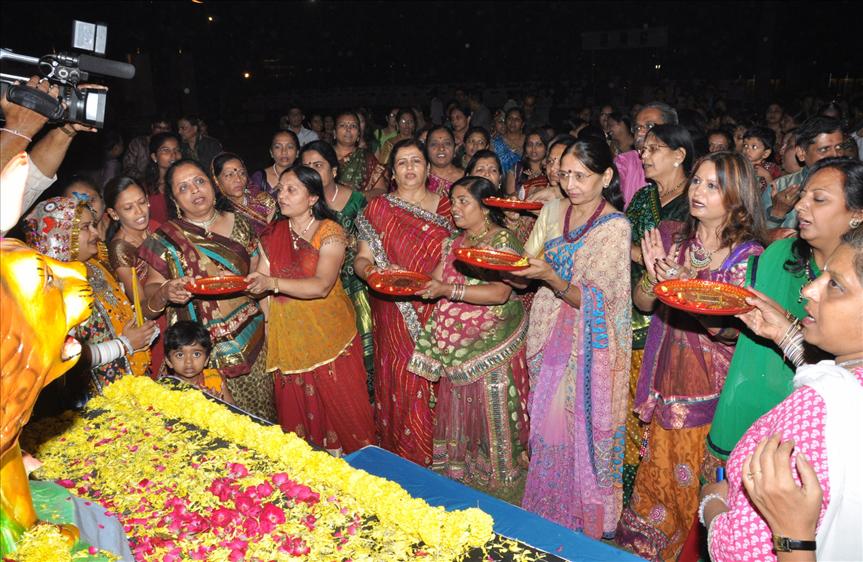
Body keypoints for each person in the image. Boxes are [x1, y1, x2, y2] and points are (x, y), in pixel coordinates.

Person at [617, 151, 766, 560]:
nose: (698, 191)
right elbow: (644, 304)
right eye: (697, 181)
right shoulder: (674, 239)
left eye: (713, 186)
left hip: (712, 390)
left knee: (695, 480)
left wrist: (687, 290)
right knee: (657, 472)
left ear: (737, 197)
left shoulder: (749, 258)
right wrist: (654, 276)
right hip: (666, 376)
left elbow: (731, 333)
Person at [702, 225, 863, 562]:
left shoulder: (815, 411)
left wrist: (712, 504)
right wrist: (785, 334)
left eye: (835, 285)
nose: (809, 290)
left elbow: (744, 551)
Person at [512, 136, 632, 539]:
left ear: (606, 176)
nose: (571, 184)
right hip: (549, 330)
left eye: (581, 176)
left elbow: (601, 300)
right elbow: (528, 265)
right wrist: (512, 268)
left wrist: (550, 276)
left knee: (574, 423)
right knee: (547, 421)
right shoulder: (553, 210)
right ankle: (548, 505)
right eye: (564, 174)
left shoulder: (615, 227)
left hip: (587, 343)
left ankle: (581, 516)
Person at [707, 158, 863, 466]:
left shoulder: (855, 288)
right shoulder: (778, 254)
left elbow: (839, 372)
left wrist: (786, 328)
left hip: (797, 435)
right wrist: (704, 310)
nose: (800, 206)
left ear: (857, 214)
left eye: (819, 199)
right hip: (741, 408)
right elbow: (741, 333)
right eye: (803, 195)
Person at [408, 175, 530, 489]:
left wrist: (448, 290)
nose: (455, 208)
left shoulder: (501, 240)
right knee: (463, 407)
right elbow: (435, 281)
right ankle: (466, 470)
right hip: (457, 345)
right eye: (454, 201)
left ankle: (503, 474)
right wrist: (404, 279)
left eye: (464, 201)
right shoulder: (452, 242)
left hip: (492, 342)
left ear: (485, 207)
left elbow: (500, 293)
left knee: (492, 407)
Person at [246, 166, 375, 454]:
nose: (281, 195)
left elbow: (321, 285)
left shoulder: (330, 232)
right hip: (290, 340)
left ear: (313, 198)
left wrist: (271, 283)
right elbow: (262, 286)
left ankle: (360, 469)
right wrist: (260, 301)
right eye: (280, 189)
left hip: (331, 338)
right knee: (301, 422)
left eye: (291, 190)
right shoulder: (273, 234)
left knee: (346, 417)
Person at [138, 159, 275, 421]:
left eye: (199, 181)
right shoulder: (165, 238)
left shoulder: (242, 225)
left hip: (249, 342)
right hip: (194, 352)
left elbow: (260, 280)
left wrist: (252, 289)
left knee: (258, 423)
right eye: (183, 187)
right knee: (207, 427)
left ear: (213, 185)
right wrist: (166, 292)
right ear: (174, 199)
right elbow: (148, 302)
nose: (195, 190)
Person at [354, 138, 455, 466]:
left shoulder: (448, 209)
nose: (410, 168)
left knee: (437, 376)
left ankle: (440, 451)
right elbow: (361, 259)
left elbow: (458, 256)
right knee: (403, 375)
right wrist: (372, 273)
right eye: (402, 162)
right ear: (393, 172)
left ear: (427, 168)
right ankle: (407, 451)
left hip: (438, 307)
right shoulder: (378, 209)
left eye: (416, 161)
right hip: (393, 309)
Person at [622, 124, 695, 502]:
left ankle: (656, 491)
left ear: (679, 155)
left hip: (671, 320)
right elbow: (619, 237)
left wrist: (637, 254)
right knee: (627, 408)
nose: (644, 155)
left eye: (654, 149)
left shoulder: (693, 202)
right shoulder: (643, 197)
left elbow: (686, 259)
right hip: (630, 305)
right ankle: (628, 487)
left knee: (657, 408)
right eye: (643, 149)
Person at [24, 197, 157, 401]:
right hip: (90, 403)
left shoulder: (95, 265)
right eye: (86, 227)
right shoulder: (49, 287)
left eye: (93, 225)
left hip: (132, 388)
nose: (96, 233)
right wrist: (124, 344)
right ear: (61, 235)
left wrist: (142, 330)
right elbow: (65, 356)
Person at [300, 140, 375, 389]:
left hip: (353, 283)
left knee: (362, 347)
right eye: (306, 166)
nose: (312, 171)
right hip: (315, 285)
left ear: (333, 171)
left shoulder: (356, 200)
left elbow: (369, 241)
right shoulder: (299, 203)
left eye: (318, 165)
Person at [764, 116, 845, 229]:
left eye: (839, 147)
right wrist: (777, 213)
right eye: (824, 149)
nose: (835, 155)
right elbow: (758, 237)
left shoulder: (853, 185)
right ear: (801, 153)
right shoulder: (779, 187)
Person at [616, 101, 679, 209]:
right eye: (637, 128)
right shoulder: (624, 162)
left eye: (649, 126)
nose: (640, 132)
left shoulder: (689, 173)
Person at [164, 320, 232, 403]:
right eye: (180, 355)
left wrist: (218, 403)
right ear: (169, 361)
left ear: (206, 360)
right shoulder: (165, 389)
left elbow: (233, 409)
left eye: (196, 354)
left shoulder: (215, 378)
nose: (188, 361)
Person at [212, 152, 277, 235]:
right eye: (229, 175)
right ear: (216, 180)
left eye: (242, 173)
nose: (238, 179)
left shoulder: (265, 201)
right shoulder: (216, 213)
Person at [333, 111, 387, 197]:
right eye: (342, 125)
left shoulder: (367, 157)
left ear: (358, 134)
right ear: (334, 133)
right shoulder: (323, 155)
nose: (348, 129)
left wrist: (356, 198)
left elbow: (381, 189)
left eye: (353, 126)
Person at [142, 131, 182, 226]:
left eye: (177, 150)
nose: (173, 155)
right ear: (154, 157)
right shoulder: (145, 188)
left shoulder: (187, 183)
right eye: (166, 150)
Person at [249, 130, 300, 196]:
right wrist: (273, 192)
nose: (284, 152)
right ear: (271, 153)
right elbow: (249, 201)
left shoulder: (304, 177)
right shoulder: (259, 177)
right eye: (278, 147)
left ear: (297, 152)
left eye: (289, 147)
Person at [505, 129, 548, 198]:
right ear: (525, 148)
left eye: (539, 145)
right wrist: (527, 187)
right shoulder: (516, 169)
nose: (533, 149)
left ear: (546, 148)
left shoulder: (550, 170)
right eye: (530, 144)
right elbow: (510, 199)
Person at [426, 126, 464, 193]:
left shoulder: (465, 178)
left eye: (447, 143)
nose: (441, 148)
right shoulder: (419, 178)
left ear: (455, 148)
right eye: (434, 144)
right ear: (426, 149)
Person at [743, 126, 781, 192]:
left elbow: (776, 191)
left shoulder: (771, 169)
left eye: (754, 147)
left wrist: (767, 176)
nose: (747, 150)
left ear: (765, 153)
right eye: (745, 145)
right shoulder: (740, 165)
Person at [492, 107, 526, 176]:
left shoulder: (529, 141)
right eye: (510, 118)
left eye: (517, 119)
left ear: (522, 124)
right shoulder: (496, 141)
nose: (513, 122)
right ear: (506, 121)